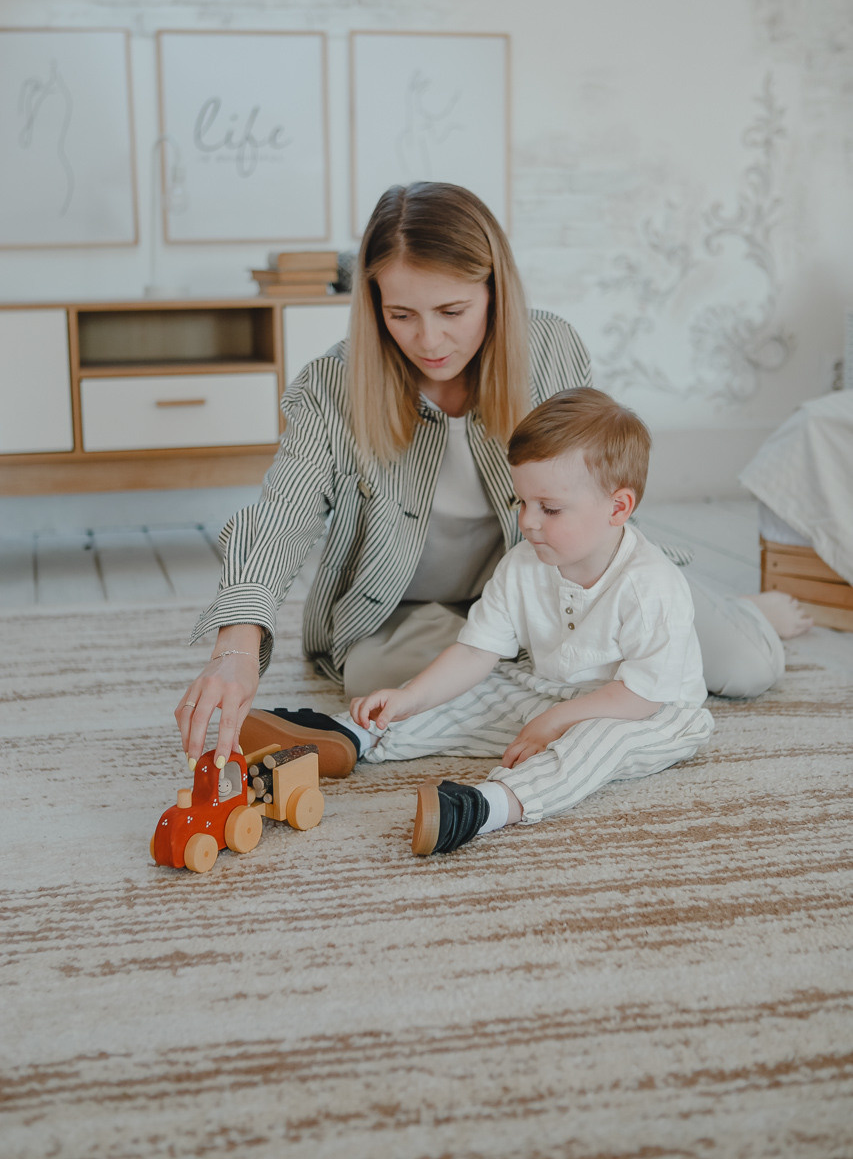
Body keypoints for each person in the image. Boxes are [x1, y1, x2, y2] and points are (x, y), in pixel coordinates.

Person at [176, 182, 805, 772]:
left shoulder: (551, 346)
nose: (430, 340)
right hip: (412, 607)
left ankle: (712, 613)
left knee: (747, 666)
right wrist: (236, 645)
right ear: (373, 307)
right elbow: (280, 516)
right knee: (379, 681)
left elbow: (590, 490)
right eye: (401, 315)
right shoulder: (331, 386)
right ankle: (568, 652)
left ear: (494, 290)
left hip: (553, 575)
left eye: (453, 310)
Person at [342, 388, 715, 855]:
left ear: (618, 508)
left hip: (649, 711)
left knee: (598, 744)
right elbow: (476, 651)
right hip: (552, 691)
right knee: (480, 692)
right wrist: (409, 695)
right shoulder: (524, 563)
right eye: (522, 502)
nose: (527, 522)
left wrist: (553, 723)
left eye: (549, 509)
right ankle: (354, 734)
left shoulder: (650, 586)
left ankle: (490, 805)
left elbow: (639, 696)